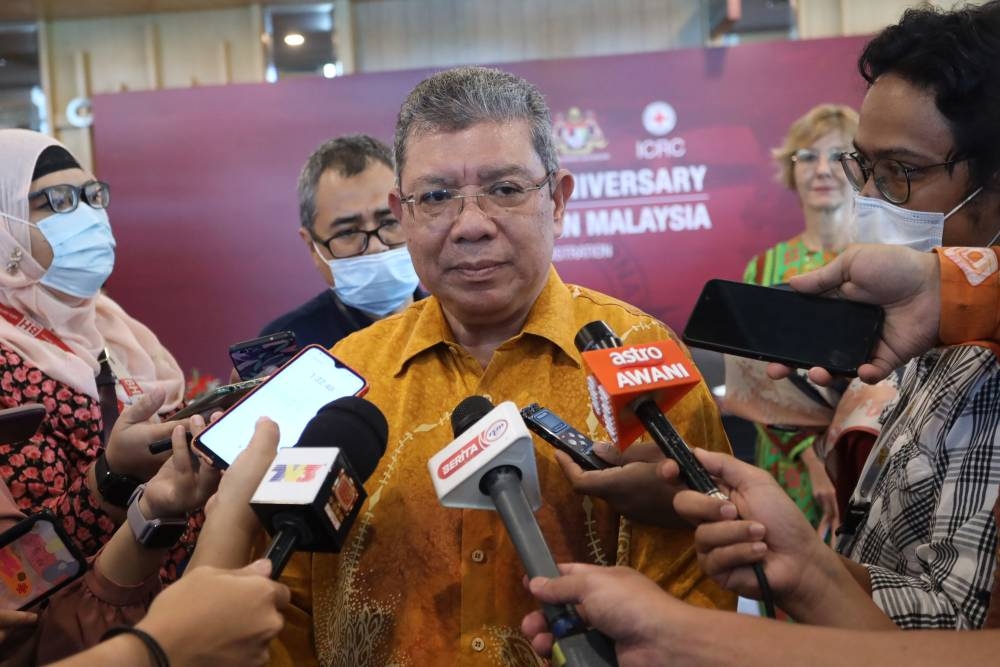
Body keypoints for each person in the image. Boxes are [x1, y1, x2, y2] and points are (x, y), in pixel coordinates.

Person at [269, 66, 735, 666]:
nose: (471, 226)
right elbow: (287, 601)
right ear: (403, 213)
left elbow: (701, 588)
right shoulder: (344, 380)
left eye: (506, 189)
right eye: (436, 197)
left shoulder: (641, 356)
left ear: (559, 200)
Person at [519, 242, 1000, 666]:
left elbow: (962, 634)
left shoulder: (985, 373)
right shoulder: (935, 337)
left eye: (902, 170)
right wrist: (809, 569)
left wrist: (689, 638)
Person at [0, 130, 197, 578]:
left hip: (185, 591)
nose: (88, 215)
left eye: (92, 195)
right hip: (82, 630)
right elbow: (22, 567)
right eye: (56, 201)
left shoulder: (112, 324)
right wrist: (114, 475)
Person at [725, 104, 859, 536]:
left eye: (839, 157)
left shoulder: (887, 262)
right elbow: (757, 385)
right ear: (791, 169)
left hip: (871, 451)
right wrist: (814, 461)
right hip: (790, 467)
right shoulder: (763, 269)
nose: (822, 170)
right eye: (808, 157)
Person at [257, 134, 424, 348]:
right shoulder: (289, 348)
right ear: (312, 246)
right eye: (347, 232)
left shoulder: (461, 323)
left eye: (390, 222)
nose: (376, 247)